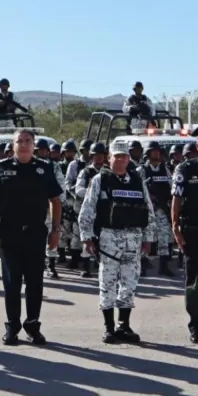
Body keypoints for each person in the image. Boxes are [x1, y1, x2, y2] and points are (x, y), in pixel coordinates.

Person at [0, 129, 63, 345]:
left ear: (34, 144)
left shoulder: (44, 169)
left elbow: (55, 201)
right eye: (20, 141)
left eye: (28, 141)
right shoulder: (1, 168)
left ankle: (33, 326)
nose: (24, 144)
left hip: (36, 234)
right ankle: (12, 326)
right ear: (13, 145)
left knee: (35, 283)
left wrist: (55, 231)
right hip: (9, 234)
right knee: (11, 283)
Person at [79, 141, 156, 344]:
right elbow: (87, 210)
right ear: (109, 158)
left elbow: (148, 210)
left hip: (134, 240)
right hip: (108, 240)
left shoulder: (137, 181)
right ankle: (109, 327)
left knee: (129, 283)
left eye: (124, 157)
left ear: (128, 159)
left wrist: (148, 239)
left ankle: (124, 325)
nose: (121, 160)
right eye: (117, 156)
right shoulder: (100, 180)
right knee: (108, 283)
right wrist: (87, 237)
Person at [171, 123, 198, 343]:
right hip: (193, 233)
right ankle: (197, 327)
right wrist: (174, 227)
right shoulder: (185, 169)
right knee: (195, 281)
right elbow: (177, 199)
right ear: (197, 146)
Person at [137, 141, 174, 277]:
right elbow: (136, 188)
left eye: (158, 151)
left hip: (161, 209)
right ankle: (141, 266)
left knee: (164, 237)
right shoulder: (141, 170)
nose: (157, 154)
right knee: (144, 238)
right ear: (148, 153)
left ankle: (163, 266)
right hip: (146, 210)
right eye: (154, 151)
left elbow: (172, 186)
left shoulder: (165, 169)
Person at [34, 138, 67, 279]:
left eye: (44, 150)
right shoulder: (30, 165)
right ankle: (38, 265)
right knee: (36, 238)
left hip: (51, 206)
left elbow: (61, 185)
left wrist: (62, 202)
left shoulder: (54, 166)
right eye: (39, 150)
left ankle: (52, 266)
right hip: (35, 208)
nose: (42, 152)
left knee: (53, 235)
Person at [74, 141, 107, 277]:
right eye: (95, 155)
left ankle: (101, 266)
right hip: (89, 209)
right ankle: (86, 267)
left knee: (104, 238)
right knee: (88, 237)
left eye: (101, 155)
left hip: (105, 210)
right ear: (91, 156)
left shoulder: (108, 171)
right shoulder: (85, 171)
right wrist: (92, 192)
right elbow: (78, 189)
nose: (98, 158)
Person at [65, 139, 92, 269]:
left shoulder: (95, 164)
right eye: (87, 150)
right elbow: (68, 183)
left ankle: (89, 260)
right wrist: (75, 194)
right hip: (77, 201)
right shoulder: (74, 165)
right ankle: (75, 259)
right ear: (82, 151)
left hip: (92, 203)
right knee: (76, 232)